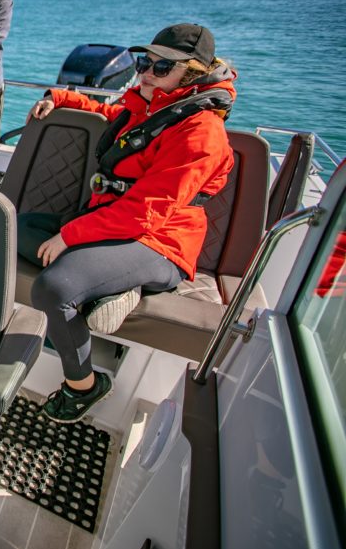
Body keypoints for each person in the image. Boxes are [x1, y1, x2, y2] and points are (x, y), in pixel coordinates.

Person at [18, 23, 236, 423]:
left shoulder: (201, 132)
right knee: (11, 227)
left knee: (54, 288)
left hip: (158, 244)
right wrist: (59, 96)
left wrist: (70, 236)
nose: (145, 73)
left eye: (159, 67)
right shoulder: (150, 108)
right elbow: (110, 114)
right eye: (143, 62)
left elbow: (148, 211)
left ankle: (83, 386)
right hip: (110, 224)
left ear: (190, 73)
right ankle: (117, 282)